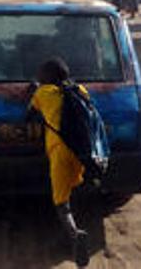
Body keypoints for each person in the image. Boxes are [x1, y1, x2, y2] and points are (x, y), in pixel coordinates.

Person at [30, 58, 90, 267]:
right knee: (74, 185)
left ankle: (75, 234)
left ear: (46, 78)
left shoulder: (43, 93)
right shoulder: (80, 89)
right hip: (81, 151)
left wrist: (33, 91)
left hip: (60, 152)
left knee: (61, 202)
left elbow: (30, 114)